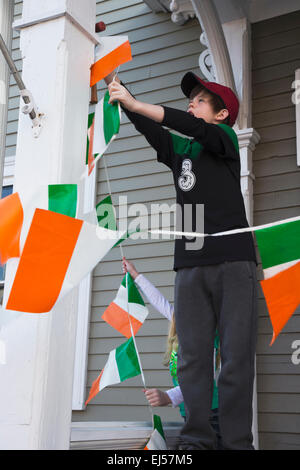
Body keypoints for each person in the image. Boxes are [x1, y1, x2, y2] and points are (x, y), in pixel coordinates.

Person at [104, 70, 258, 450]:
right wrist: (125, 95)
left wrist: (140, 103)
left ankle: (237, 442)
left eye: (201, 100)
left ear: (222, 114)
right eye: (192, 99)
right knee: (192, 358)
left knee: (236, 356)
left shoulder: (224, 140)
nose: (192, 103)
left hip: (233, 260)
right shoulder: (182, 153)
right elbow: (153, 128)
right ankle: (195, 441)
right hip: (190, 263)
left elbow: (190, 126)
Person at [121, 257, 221, 447]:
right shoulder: (183, 323)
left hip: (211, 416)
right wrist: (135, 274)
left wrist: (168, 397)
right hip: (190, 413)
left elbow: (201, 380)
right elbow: (159, 301)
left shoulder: (209, 334)